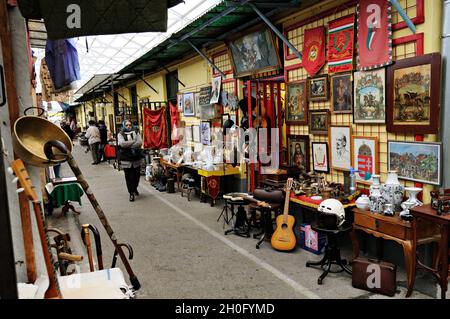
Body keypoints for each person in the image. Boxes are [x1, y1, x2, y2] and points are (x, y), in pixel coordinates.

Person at [118, 120, 143, 202]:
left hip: (136, 158)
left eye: (130, 125)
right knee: (128, 177)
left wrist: (128, 144)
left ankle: (135, 187)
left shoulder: (136, 131)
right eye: (127, 125)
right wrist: (133, 142)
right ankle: (131, 193)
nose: (129, 126)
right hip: (126, 159)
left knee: (136, 176)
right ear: (124, 125)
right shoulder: (121, 134)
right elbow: (122, 144)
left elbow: (139, 142)